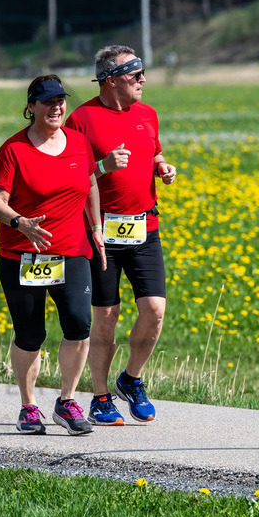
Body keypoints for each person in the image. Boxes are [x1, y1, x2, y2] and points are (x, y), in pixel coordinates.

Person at [0, 74, 106, 436]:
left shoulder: (79, 143)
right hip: (24, 255)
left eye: (60, 101)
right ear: (31, 107)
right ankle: (28, 407)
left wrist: (96, 228)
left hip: (72, 251)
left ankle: (67, 402)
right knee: (30, 335)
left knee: (79, 325)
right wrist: (20, 222)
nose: (56, 108)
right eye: (47, 102)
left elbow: (90, 182)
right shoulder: (13, 149)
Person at [64, 45, 177, 425]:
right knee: (106, 317)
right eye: (134, 74)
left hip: (145, 227)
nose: (143, 79)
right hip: (99, 232)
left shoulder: (147, 114)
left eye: (142, 72)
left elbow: (154, 151)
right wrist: (102, 166)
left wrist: (162, 166)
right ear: (110, 80)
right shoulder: (81, 119)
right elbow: (68, 176)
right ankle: (100, 397)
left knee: (155, 311)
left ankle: (130, 379)